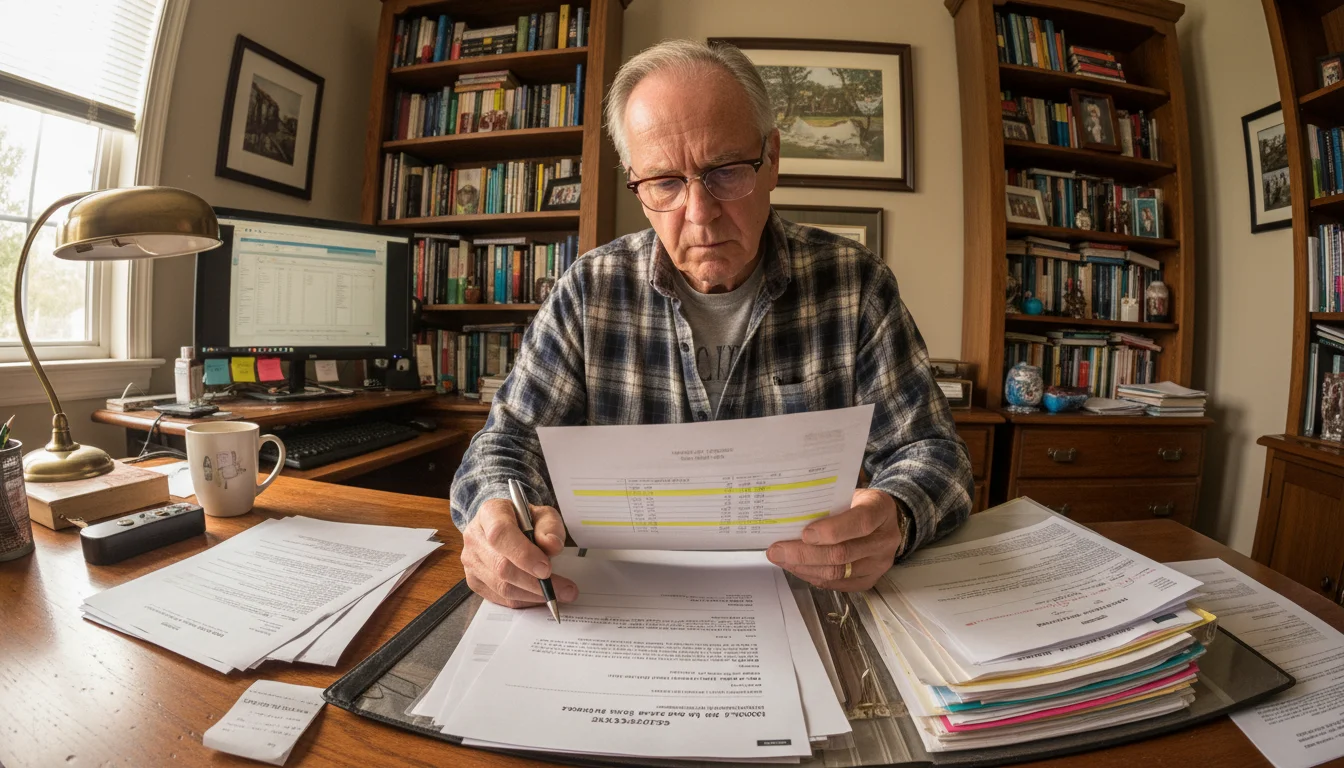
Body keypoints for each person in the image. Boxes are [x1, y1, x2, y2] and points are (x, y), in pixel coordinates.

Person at [450, 40, 973, 609]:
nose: (699, 214)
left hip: (811, 599)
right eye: (665, 182)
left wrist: (895, 515)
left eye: (724, 172)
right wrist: (493, 516)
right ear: (636, 183)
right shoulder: (587, 292)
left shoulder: (856, 286)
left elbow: (933, 453)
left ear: (772, 158)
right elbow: (504, 445)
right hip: (616, 605)